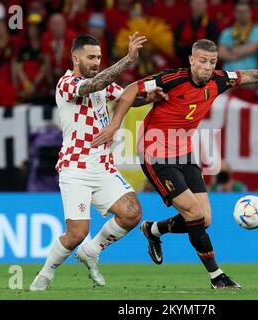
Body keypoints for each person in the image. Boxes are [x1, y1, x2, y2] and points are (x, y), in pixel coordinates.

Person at [91, 38, 258, 289]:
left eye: (212, 62)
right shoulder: (171, 78)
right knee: (193, 214)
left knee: (205, 219)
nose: (207, 67)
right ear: (191, 60)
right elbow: (131, 90)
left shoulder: (219, 80)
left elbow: (254, 74)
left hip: (184, 152)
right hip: (154, 153)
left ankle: (154, 230)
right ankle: (217, 276)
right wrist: (114, 125)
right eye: (202, 61)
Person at [30, 33, 164, 291]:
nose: (95, 62)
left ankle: (92, 251)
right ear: (75, 57)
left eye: (99, 57)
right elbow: (95, 84)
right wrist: (128, 60)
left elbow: (127, 97)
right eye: (91, 57)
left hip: (103, 167)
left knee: (132, 213)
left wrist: (150, 97)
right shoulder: (66, 84)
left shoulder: (101, 82)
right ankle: (45, 275)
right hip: (76, 167)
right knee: (76, 234)